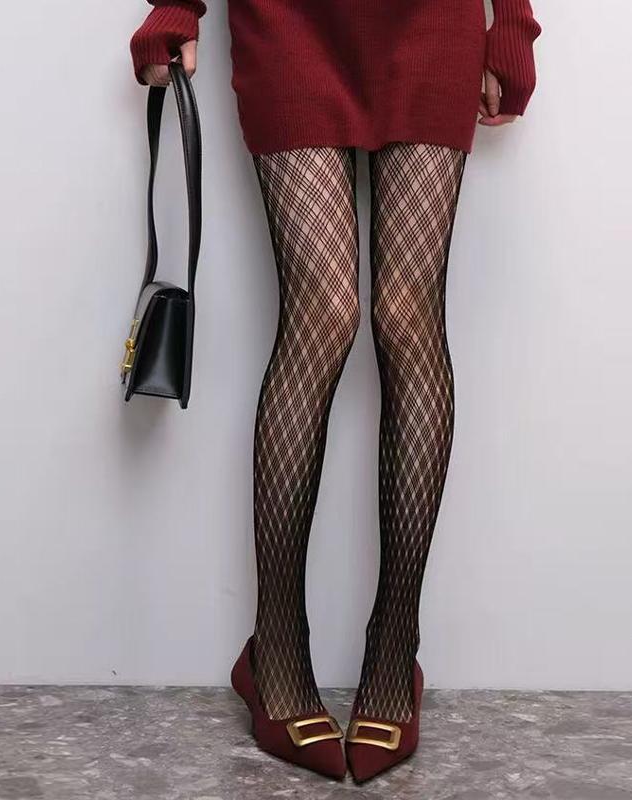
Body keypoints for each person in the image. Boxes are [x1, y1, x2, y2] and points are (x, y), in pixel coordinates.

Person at [130, 0, 541, 783]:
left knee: (407, 316)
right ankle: (276, 654)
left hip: (432, 21)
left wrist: (512, 25)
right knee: (323, 314)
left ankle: (394, 651)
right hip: (290, 20)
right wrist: (175, 9)